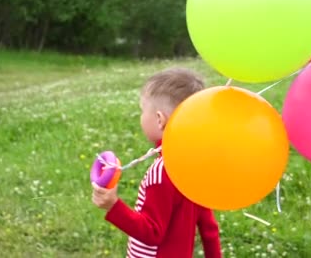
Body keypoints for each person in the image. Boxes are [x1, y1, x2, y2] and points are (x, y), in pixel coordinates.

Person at [92, 67, 222, 258]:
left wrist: (113, 206)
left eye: (143, 111)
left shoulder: (162, 172)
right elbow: (209, 227)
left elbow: (152, 233)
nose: (141, 117)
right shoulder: (195, 165)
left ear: (160, 119)